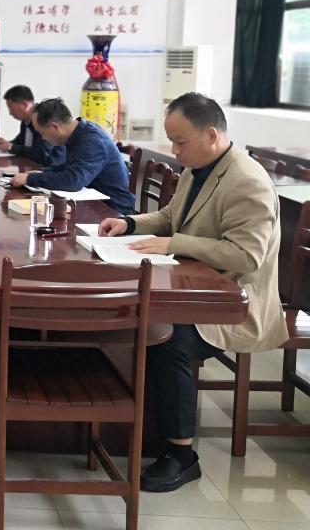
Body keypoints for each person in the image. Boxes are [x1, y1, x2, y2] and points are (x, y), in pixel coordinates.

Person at [98, 93, 287, 493]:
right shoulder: (198, 168)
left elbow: (246, 255)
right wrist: (129, 224)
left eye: (180, 141)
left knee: (168, 341)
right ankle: (129, 429)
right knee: (143, 323)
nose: (174, 150)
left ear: (212, 135)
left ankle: (181, 454)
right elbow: (171, 217)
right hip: (193, 288)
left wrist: (174, 243)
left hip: (233, 304)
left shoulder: (247, 181)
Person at [10, 98, 134, 214]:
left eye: (41, 133)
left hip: (112, 210)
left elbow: (74, 181)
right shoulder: (80, 131)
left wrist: (30, 179)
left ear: (55, 127)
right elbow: (72, 166)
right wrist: (42, 173)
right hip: (91, 204)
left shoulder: (92, 141)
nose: (43, 138)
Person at [0, 85, 64, 166]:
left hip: (51, 169)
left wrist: (10, 147)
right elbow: (20, 143)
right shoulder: (25, 121)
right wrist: (4, 143)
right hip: (32, 167)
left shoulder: (44, 118)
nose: (10, 113)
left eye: (10, 107)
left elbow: (41, 154)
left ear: (24, 104)